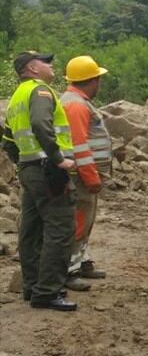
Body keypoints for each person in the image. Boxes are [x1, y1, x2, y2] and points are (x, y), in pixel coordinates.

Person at [1, 51, 78, 311]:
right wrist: (57, 159)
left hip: (30, 169)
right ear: (33, 68)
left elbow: (8, 141)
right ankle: (47, 291)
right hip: (48, 171)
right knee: (60, 227)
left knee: (31, 229)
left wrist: (25, 161)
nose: (51, 64)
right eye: (46, 62)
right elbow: (39, 122)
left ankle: (32, 286)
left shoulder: (16, 98)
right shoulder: (40, 92)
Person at [61, 56, 112, 292]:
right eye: (98, 79)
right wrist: (92, 178)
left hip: (83, 174)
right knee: (79, 221)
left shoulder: (76, 101)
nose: (99, 84)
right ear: (91, 80)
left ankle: (82, 261)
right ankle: (70, 270)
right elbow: (79, 145)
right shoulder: (76, 105)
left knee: (86, 218)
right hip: (80, 177)